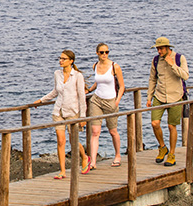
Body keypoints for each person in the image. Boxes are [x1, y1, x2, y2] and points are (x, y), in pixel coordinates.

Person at [33, 49, 89, 178]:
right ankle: (62, 171)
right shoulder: (57, 74)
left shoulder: (77, 76)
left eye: (64, 59)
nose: (61, 61)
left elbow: (82, 97)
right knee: (60, 140)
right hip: (58, 111)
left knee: (73, 140)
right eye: (60, 58)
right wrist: (41, 100)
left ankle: (85, 157)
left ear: (71, 61)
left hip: (73, 111)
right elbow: (55, 92)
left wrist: (83, 117)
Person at [147, 37, 189, 167]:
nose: (159, 51)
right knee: (155, 123)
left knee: (172, 126)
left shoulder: (179, 58)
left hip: (175, 96)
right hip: (159, 96)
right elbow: (152, 79)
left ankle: (171, 154)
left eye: (161, 48)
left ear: (167, 48)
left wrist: (172, 64)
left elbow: (185, 75)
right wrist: (149, 97)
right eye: (157, 49)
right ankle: (162, 147)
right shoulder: (155, 60)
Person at [86, 43, 125, 169]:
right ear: (97, 53)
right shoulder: (95, 65)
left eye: (106, 52)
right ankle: (93, 162)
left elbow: (122, 86)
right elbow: (98, 83)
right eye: (102, 52)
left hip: (110, 101)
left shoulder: (115, 66)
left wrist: (117, 101)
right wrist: (89, 90)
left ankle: (118, 155)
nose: (104, 55)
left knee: (113, 131)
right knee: (95, 131)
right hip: (96, 100)